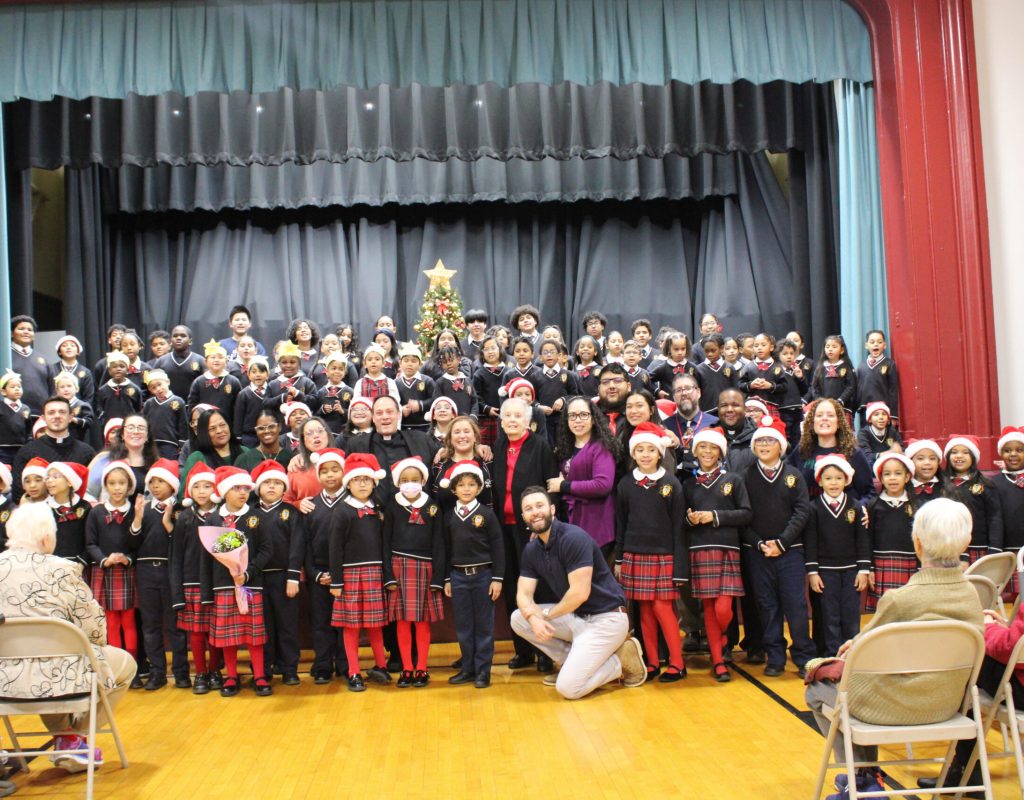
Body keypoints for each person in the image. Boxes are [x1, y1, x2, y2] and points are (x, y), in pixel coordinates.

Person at [805, 498, 983, 799]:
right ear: (967, 540)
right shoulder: (973, 596)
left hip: (887, 709)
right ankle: (863, 777)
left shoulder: (900, 599)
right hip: (947, 705)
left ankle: (861, 777)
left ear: (917, 542)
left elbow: (861, 662)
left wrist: (853, 647)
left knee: (817, 687)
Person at [0, 503, 137, 773]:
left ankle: (66, 735)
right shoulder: (63, 569)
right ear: (47, 537)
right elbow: (95, 629)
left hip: (6, 680)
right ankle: (77, 737)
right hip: (59, 676)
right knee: (125, 664)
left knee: (37, 667)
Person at [511, 486, 647, 699]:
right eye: (528, 508)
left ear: (552, 509)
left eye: (539, 505)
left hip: (607, 619)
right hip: (577, 618)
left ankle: (620, 660)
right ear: (523, 516)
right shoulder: (532, 549)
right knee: (519, 618)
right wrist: (532, 617)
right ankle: (569, 663)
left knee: (569, 689)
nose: (535, 512)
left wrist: (544, 617)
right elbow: (523, 594)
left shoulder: (573, 538)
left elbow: (579, 594)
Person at [614, 421, 687, 681]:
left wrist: (680, 566)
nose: (645, 454)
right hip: (634, 554)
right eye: (640, 450)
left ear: (660, 454)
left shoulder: (671, 484)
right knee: (644, 609)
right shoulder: (625, 484)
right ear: (633, 454)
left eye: (651, 450)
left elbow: (679, 528)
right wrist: (620, 558)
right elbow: (621, 523)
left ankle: (677, 663)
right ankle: (653, 662)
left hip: (663, 555)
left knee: (662, 609)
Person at [491, 396, 559, 672]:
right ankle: (523, 650)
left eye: (517, 416)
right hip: (503, 528)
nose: (511, 420)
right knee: (511, 588)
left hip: (531, 530)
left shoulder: (540, 446)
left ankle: (545, 651)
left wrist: (543, 527)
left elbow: (550, 488)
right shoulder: (499, 446)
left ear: (528, 420)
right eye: (506, 416)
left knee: (538, 588)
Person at [742, 415, 813, 676]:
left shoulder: (793, 475)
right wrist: (760, 544)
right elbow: (742, 514)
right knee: (767, 606)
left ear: (781, 446)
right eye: (760, 440)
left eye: (770, 440)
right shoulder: (745, 477)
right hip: (758, 554)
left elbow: (802, 511)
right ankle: (775, 657)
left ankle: (803, 656)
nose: (764, 445)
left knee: (796, 605)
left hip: (790, 552)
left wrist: (782, 543)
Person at [684, 426, 752, 682]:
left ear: (721, 452)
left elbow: (746, 514)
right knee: (709, 608)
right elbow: (683, 520)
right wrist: (691, 520)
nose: (708, 452)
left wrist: (714, 517)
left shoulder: (733, 480)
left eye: (713, 447)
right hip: (699, 550)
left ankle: (723, 637)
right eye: (703, 447)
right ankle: (718, 661)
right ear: (696, 451)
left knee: (724, 609)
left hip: (727, 549)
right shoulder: (688, 485)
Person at [205, 466, 273, 697]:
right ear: (224, 491)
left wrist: (248, 572)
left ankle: (260, 675)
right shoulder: (214, 519)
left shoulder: (256, 516)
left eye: (246, 488)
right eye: (236, 488)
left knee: (253, 634)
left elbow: (266, 549)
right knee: (228, 636)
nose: (243, 492)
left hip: (250, 584)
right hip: (223, 585)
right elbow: (208, 555)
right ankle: (231, 676)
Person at [329, 453, 391, 693]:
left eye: (367, 479)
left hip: (374, 573)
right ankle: (354, 671)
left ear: (374, 483)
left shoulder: (378, 510)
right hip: (349, 575)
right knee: (351, 626)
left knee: (376, 625)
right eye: (357, 480)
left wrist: (387, 575)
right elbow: (334, 547)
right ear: (349, 483)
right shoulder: (342, 512)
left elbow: (384, 546)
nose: (363, 484)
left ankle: (381, 666)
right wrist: (336, 580)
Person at [441, 460, 504, 689]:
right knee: (464, 626)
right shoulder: (448, 517)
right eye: (461, 485)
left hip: (483, 577)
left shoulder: (486, 514)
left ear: (479, 488)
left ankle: (483, 671)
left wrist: (497, 578)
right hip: (458, 577)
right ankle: (467, 668)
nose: (466, 489)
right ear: (454, 489)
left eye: (471, 485)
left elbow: (498, 546)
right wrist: (447, 578)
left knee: (484, 625)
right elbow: (445, 549)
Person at [129, 458, 191, 690]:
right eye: (152, 481)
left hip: (170, 570)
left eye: (161, 481)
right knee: (150, 624)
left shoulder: (181, 510)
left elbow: (184, 542)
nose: (155, 485)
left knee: (176, 624)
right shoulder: (142, 508)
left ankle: (181, 671)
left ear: (172, 485)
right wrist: (136, 520)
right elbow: (132, 543)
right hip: (145, 571)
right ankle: (157, 672)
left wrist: (169, 524)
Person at [383, 456, 445, 688]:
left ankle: (422, 668)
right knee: (402, 622)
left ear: (423, 481)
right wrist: (388, 574)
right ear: (398, 482)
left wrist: (438, 577)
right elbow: (385, 542)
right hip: (398, 567)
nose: (410, 484)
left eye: (415, 479)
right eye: (405, 480)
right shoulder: (391, 505)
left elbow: (440, 543)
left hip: (426, 568)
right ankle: (407, 668)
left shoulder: (432, 506)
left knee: (422, 622)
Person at [804, 454, 871, 658]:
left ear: (847, 480)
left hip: (851, 571)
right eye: (828, 478)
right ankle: (833, 656)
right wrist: (813, 572)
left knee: (851, 617)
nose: (833, 483)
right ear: (820, 481)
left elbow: (863, 540)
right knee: (829, 617)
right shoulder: (813, 508)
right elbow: (811, 542)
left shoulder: (856, 507)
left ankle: (852, 656)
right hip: (825, 572)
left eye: (838, 478)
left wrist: (864, 569)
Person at [250, 459, 304, 686]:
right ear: (258, 488)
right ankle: (265, 668)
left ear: (284, 488)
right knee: (264, 626)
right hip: (257, 579)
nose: (271, 487)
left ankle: (289, 668)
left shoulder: (290, 513)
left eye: (277, 483)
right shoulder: (249, 515)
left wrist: (293, 576)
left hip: (284, 578)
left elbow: (297, 546)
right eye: (267, 483)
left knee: (287, 625)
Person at [85, 461, 141, 680]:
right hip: (105, 572)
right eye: (112, 483)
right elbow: (90, 544)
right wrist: (104, 560)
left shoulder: (134, 512)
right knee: (111, 621)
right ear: (105, 486)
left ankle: (132, 668)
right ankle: (118, 669)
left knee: (128, 621)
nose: (117, 487)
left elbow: (140, 543)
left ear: (129, 486)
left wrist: (127, 558)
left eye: (122, 483)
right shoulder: (96, 513)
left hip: (127, 571)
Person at [300, 447, 349, 683]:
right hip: (319, 575)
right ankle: (322, 665)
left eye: (335, 470)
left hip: (346, 575)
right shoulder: (311, 506)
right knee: (321, 622)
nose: (330, 475)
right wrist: (315, 574)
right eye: (325, 471)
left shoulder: (352, 503)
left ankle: (345, 663)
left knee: (345, 623)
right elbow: (305, 546)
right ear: (318, 476)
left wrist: (341, 573)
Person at [550, 396, 618, 557]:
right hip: (572, 521)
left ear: (593, 419)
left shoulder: (600, 447)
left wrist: (564, 486)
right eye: (572, 416)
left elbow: (603, 485)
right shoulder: (564, 447)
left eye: (583, 415)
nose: (577, 420)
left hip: (596, 524)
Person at [12, 396, 95, 502]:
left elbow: (92, 492)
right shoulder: (27, 452)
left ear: (71, 417)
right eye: (51, 412)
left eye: (62, 412)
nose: (57, 416)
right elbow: (19, 494)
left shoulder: (87, 452)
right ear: (44, 418)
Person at [864, 451, 918, 612]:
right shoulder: (874, 505)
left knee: (909, 610)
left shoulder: (916, 504)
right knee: (886, 612)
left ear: (907, 477)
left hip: (911, 563)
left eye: (898, 473)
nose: (892, 478)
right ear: (880, 479)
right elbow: (868, 538)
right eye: (887, 474)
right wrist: (870, 568)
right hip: (882, 564)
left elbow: (921, 538)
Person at [943, 434, 1002, 563]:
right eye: (954, 452)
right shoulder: (941, 484)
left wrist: (995, 547)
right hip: (948, 548)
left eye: (965, 452)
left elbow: (994, 517)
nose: (959, 456)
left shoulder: (986, 484)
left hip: (979, 548)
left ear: (974, 457)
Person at [86, 412, 160, 499]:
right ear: (122, 434)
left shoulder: (157, 463)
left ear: (148, 436)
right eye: (130, 428)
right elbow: (88, 492)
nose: (136, 432)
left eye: (141, 428)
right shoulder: (105, 459)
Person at [662, 373, 718, 481]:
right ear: (673, 397)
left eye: (688, 388)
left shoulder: (714, 423)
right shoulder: (665, 426)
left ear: (698, 392)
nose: (683, 393)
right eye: (678, 390)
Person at [178, 409, 248, 493]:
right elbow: (184, 494)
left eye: (222, 425)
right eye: (212, 429)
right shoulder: (197, 458)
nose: (219, 431)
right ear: (204, 433)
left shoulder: (245, 452)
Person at [993, 426, 1024, 594]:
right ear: (1001, 453)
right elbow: (994, 518)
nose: (1013, 454)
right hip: (1007, 548)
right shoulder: (994, 483)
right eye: (1007, 450)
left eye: (1019, 450)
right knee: (1010, 596)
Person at [283, 416, 335, 504]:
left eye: (320, 431)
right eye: (309, 433)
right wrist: (298, 504)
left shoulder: (342, 463)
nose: (316, 435)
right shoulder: (296, 467)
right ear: (303, 440)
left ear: (327, 434)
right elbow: (285, 502)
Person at [856, 330, 900, 428]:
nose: (876, 344)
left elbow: (893, 390)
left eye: (879, 342)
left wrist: (893, 415)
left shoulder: (889, 364)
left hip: (883, 411)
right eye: (872, 342)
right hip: (865, 410)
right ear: (866, 345)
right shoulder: (861, 366)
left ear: (884, 345)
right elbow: (858, 390)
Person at [141, 369, 188, 460]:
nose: (158, 389)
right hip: (152, 444)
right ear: (150, 390)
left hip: (171, 444)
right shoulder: (148, 403)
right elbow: (144, 423)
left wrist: (182, 443)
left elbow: (183, 424)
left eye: (159, 384)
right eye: (153, 387)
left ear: (168, 382)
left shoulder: (178, 401)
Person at [9, 315, 52, 414]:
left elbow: (53, 389)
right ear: (12, 333)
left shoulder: (44, 360)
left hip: (41, 416)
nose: (26, 332)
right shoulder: (5, 357)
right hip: (12, 415)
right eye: (21, 329)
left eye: (29, 330)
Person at [151, 325, 206, 401]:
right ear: (171, 341)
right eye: (175, 336)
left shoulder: (200, 360)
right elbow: (153, 386)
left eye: (183, 336)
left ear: (190, 341)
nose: (178, 338)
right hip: (167, 406)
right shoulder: (161, 361)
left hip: (192, 407)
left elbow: (206, 386)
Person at [694, 333, 737, 414]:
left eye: (713, 350)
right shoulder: (698, 369)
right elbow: (696, 393)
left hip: (727, 412)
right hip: (705, 412)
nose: (710, 354)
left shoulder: (729, 368)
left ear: (721, 348)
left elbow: (735, 391)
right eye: (706, 351)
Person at [50, 333, 96, 408]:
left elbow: (89, 398)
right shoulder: (51, 369)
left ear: (78, 351)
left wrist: (83, 411)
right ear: (59, 352)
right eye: (64, 346)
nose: (68, 348)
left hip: (79, 413)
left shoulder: (85, 372)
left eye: (72, 345)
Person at [0, 370, 30, 465]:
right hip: (3, 449)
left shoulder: (26, 408)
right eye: (12, 387)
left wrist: (28, 444)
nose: (17, 389)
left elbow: (28, 429)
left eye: (19, 386)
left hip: (21, 448)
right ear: (3, 391)